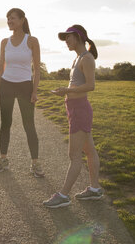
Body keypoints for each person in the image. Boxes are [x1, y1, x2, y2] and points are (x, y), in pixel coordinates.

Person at [43, 25, 103, 208]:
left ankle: (64, 195)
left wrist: (66, 90)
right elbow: (77, 83)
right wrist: (66, 92)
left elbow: (91, 86)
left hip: (80, 110)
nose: (66, 41)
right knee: (89, 150)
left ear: (78, 37)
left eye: (68, 38)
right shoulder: (77, 58)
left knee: (74, 155)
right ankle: (95, 189)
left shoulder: (87, 58)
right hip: (75, 109)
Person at [0, 8, 44, 178]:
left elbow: (37, 69)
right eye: (8, 18)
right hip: (7, 84)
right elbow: (1, 67)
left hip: (24, 86)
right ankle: (3, 160)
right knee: (5, 124)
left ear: (22, 20)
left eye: (12, 18)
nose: (9, 21)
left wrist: (34, 92)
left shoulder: (32, 41)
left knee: (29, 125)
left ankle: (35, 163)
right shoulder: (4, 42)